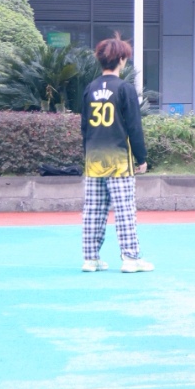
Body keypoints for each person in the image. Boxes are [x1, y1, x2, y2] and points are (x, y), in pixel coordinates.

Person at [80, 35, 154, 273]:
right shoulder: (125, 89)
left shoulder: (90, 88)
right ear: (121, 59)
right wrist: (141, 158)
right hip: (119, 160)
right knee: (124, 211)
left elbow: (84, 126)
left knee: (93, 210)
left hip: (93, 159)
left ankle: (90, 259)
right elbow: (134, 127)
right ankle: (131, 258)